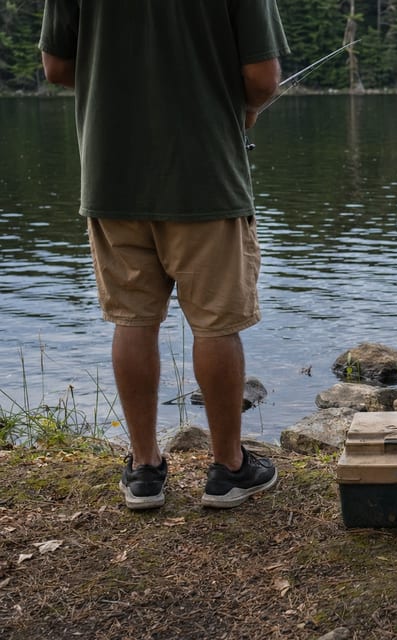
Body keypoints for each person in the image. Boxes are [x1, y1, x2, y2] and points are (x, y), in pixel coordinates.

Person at [39, 1, 289, 510]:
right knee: (216, 324)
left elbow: (57, 67)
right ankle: (229, 469)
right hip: (207, 178)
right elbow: (262, 79)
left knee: (132, 319)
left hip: (112, 177)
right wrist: (244, 113)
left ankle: (146, 471)